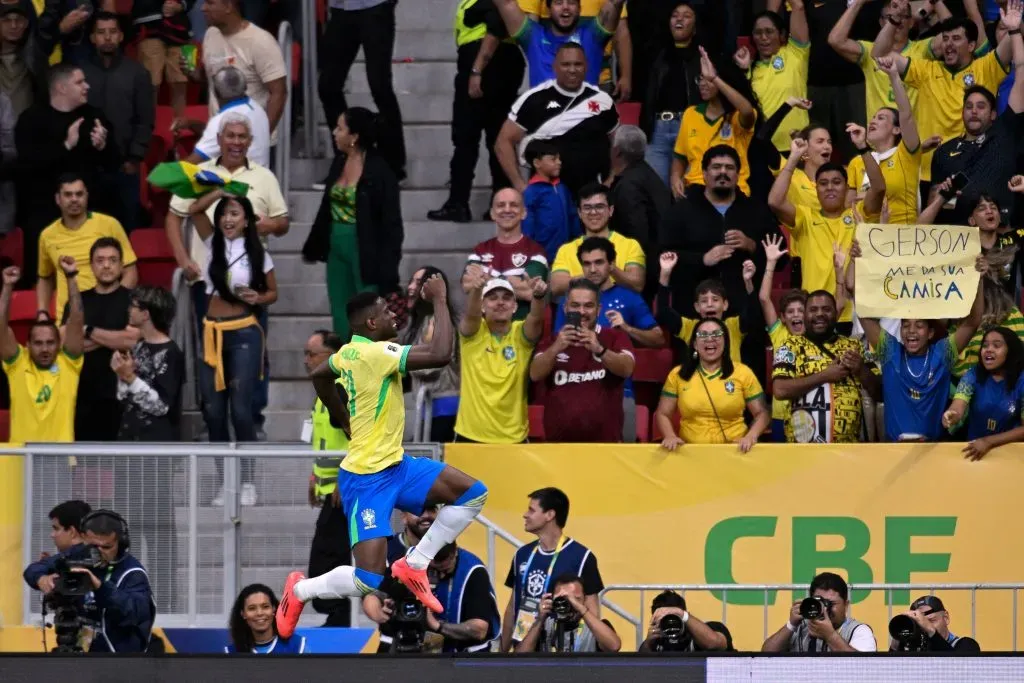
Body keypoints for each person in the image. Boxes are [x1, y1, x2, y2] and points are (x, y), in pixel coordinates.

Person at [276, 277, 492, 635]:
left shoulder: (348, 351)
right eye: (386, 313)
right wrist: (440, 299)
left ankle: (416, 563)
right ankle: (299, 590)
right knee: (368, 580)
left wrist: (340, 414)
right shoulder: (377, 354)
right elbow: (440, 354)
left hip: (398, 465)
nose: (394, 316)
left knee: (473, 493)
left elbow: (319, 374)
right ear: (372, 324)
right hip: (365, 479)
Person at [187, 189, 277, 506]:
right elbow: (193, 210)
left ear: (247, 220)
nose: (228, 219)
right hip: (212, 331)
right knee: (212, 412)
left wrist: (257, 298)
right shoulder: (212, 242)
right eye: (225, 213)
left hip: (243, 333)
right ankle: (226, 484)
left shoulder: (259, 254)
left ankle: (248, 481)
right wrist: (219, 193)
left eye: (235, 213)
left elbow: (272, 294)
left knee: (240, 410)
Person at [850, 240, 985, 443]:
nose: (911, 331)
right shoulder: (890, 351)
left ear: (930, 333)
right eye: (905, 325)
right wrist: (857, 261)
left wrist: (978, 278)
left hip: (933, 452)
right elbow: (859, 303)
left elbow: (973, 321)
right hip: (893, 452)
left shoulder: (943, 353)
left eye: (919, 325)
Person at [301, 107, 404, 342]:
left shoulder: (381, 171)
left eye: (340, 128)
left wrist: (389, 270)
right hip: (336, 246)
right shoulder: (338, 162)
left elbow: (392, 226)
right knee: (340, 311)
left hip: (365, 248)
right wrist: (314, 246)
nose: (335, 132)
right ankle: (346, 366)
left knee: (367, 314)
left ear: (354, 136)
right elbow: (325, 210)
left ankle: (369, 369)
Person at [888, 12, 1017, 191]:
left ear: (971, 45)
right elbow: (880, 54)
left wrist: (1015, 22)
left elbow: (1014, 38)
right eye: (945, 38)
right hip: (927, 174)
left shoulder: (986, 67)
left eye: (956, 38)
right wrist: (893, 20)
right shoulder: (926, 70)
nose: (948, 44)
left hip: (973, 172)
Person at [15, 64, 119, 285]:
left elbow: (114, 164)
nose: (87, 86)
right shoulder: (31, 120)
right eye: (80, 82)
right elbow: (26, 167)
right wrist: (66, 146)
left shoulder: (95, 117)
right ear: (62, 87)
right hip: (44, 214)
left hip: (89, 215)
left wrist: (103, 147)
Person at [427, 0, 525, 223]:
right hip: (498, 62)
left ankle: (460, 203)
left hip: (487, 61)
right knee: (492, 137)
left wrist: (477, 69)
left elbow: (496, 25)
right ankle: (502, 202)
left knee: (468, 138)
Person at [769, 141, 885, 326]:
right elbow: (775, 201)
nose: (830, 187)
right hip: (815, 315)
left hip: (856, 316)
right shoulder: (805, 218)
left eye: (836, 182)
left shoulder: (858, 214)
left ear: (847, 188)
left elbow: (879, 188)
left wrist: (863, 149)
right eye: (823, 183)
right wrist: (793, 159)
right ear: (816, 189)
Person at [927, 11, 1024, 225]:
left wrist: (1015, 30)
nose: (973, 111)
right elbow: (931, 215)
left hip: (1004, 239)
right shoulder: (943, 152)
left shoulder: (1004, 132)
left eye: (981, 107)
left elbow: (1021, 73)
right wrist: (942, 196)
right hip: (962, 245)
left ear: (992, 114)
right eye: (968, 106)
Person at [659, 145, 779, 317]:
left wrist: (752, 245)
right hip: (693, 317)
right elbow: (662, 257)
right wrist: (702, 259)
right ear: (704, 174)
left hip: (745, 316)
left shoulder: (756, 211)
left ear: (738, 174)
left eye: (729, 168)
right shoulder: (680, 212)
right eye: (716, 167)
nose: (723, 172)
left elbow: (781, 259)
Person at [495, 42, 620, 198]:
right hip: (548, 197)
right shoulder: (533, 99)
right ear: (554, 67)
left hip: (592, 198)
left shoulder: (603, 100)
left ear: (586, 66)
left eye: (578, 64)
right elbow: (503, 142)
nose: (572, 70)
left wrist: (611, 181)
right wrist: (520, 186)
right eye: (566, 64)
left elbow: (620, 146)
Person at [23, 509, 156, 653]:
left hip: (116, 661)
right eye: (93, 546)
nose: (99, 552)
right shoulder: (79, 553)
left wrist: (100, 587)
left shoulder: (133, 572)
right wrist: (42, 579)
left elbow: (136, 614)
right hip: (79, 650)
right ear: (84, 538)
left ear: (120, 543)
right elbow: (33, 569)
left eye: (107, 547)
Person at [500, 487, 605, 653]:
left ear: (550, 515)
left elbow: (592, 611)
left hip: (562, 653)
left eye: (531, 510)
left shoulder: (582, 557)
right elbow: (512, 607)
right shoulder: (522, 554)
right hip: (524, 652)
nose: (525, 515)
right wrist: (502, 654)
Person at [530, 277, 635, 442]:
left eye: (588, 306)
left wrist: (599, 349)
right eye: (575, 305)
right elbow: (535, 374)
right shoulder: (552, 341)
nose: (582, 312)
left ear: (598, 309)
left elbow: (627, 368)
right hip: (558, 446)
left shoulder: (615, 337)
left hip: (606, 445)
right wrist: (556, 348)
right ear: (565, 308)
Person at [58, 237, 138, 442]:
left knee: (122, 466)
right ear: (92, 266)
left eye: (112, 260)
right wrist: (113, 337)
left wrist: (86, 330)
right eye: (100, 260)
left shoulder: (134, 299)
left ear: (121, 265)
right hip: (81, 394)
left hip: (120, 395)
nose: (106, 265)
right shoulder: (78, 300)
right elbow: (65, 343)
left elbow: (132, 340)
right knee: (79, 465)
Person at [772, 290, 880, 443]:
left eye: (826, 309)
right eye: (813, 310)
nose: (819, 314)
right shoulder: (790, 346)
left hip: (848, 452)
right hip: (801, 451)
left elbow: (880, 392)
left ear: (836, 314)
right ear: (805, 315)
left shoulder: (854, 346)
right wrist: (825, 375)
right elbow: (780, 390)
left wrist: (861, 369)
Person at [81, 11, 154, 232]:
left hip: (125, 166)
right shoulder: (80, 72)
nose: (107, 37)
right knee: (90, 231)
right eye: (101, 33)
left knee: (126, 230)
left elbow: (146, 119)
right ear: (93, 38)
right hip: (89, 167)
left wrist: (135, 158)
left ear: (121, 36)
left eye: (113, 32)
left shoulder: (137, 73)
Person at [317, 0, 406, 179]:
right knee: (328, 86)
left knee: (380, 86)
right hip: (341, 8)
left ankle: (393, 164)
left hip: (375, 6)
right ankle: (346, 157)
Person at [454, 274, 547, 443]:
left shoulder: (520, 334)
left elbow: (535, 319)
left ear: (515, 306)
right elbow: (472, 316)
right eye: (492, 298)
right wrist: (476, 289)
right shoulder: (473, 333)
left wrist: (538, 296)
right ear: (482, 306)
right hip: (470, 435)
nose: (500, 302)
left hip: (513, 437)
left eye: (506, 298)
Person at [363, 541, 501, 653]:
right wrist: (382, 609)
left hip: (462, 655)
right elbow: (374, 596)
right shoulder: (411, 561)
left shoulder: (474, 571)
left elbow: (479, 630)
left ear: (454, 553)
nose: (439, 576)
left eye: (445, 571)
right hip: (418, 649)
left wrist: (436, 625)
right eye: (433, 570)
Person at [656, 316, 770, 451]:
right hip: (691, 453)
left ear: (725, 342)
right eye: (703, 335)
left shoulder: (743, 373)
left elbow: (762, 413)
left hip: (735, 452)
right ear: (695, 344)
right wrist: (670, 436)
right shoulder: (677, 374)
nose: (710, 339)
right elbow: (662, 413)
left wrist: (751, 436)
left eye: (716, 334)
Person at [1, 260, 83, 443]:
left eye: (50, 342)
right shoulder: (17, 364)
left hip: (59, 459)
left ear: (59, 344)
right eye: (38, 343)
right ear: (27, 345)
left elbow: (76, 319)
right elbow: (1, 326)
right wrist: (7, 286)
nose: (45, 349)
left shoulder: (69, 365)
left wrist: (71, 278)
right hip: (21, 459)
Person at [302, 328, 352, 627]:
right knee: (326, 556)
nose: (307, 361)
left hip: (345, 492)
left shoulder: (342, 388)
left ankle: (339, 619)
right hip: (329, 490)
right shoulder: (324, 390)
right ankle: (336, 617)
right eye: (305, 355)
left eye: (312, 354)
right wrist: (315, 475)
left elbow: (361, 437)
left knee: (329, 557)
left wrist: (344, 477)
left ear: (332, 356)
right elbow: (325, 440)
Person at [39, 175, 138, 322]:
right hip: (68, 319)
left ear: (86, 197)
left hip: (109, 316)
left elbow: (130, 271)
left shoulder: (109, 224)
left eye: (79, 194)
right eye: (68, 194)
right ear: (57, 199)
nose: (74, 199)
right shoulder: (47, 235)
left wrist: (113, 304)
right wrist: (42, 312)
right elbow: (45, 277)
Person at [844, 56, 922, 226]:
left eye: (881, 118)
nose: (872, 121)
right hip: (868, 241)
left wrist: (894, 76)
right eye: (872, 118)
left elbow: (906, 115)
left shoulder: (906, 153)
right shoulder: (858, 161)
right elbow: (847, 209)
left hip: (903, 238)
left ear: (897, 129)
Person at [671, 47, 758, 199]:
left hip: (733, 191)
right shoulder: (691, 113)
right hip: (696, 191)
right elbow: (680, 157)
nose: (703, 83)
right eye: (701, 78)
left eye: (708, 79)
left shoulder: (737, 116)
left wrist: (715, 79)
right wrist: (675, 178)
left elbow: (747, 111)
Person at [196, 0, 286, 146]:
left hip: (253, 143)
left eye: (210, 3)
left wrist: (259, 138)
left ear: (228, 7)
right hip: (220, 141)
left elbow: (279, 93)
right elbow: (212, 81)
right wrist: (192, 74)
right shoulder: (210, 35)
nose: (203, 8)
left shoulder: (260, 41)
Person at [553, 237, 664, 349]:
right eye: (587, 264)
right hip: (576, 363)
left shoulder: (629, 297)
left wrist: (627, 329)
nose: (592, 270)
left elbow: (658, 338)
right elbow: (557, 342)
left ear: (611, 264)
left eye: (599, 262)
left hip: (616, 363)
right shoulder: (570, 299)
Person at [494, 0, 626, 87]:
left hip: (584, 125)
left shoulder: (593, 36)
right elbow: (506, 4)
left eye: (571, 2)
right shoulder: (533, 37)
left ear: (579, 9)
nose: (565, 7)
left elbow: (615, 2)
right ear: (549, 9)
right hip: (543, 125)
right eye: (558, 2)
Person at [464, 188, 550, 321]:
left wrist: (487, 280)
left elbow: (529, 292)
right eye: (501, 205)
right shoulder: (480, 250)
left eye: (514, 205)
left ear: (524, 213)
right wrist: (514, 281)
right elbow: (467, 285)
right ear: (492, 213)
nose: (507, 210)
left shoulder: (536, 251)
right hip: (485, 333)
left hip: (522, 333)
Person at [641, 2, 702, 185]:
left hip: (690, 128)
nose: (679, 19)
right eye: (675, 15)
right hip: (659, 130)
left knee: (689, 192)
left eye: (686, 15)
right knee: (656, 191)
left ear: (696, 25)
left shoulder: (702, 58)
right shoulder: (656, 54)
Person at [735, 6, 809, 153]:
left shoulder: (795, 55)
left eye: (769, 32)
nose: (763, 37)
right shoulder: (749, 70)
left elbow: (798, 7)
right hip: (763, 149)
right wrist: (742, 71)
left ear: (781, 35)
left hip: (797, 145)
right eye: (758, 33)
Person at [114, 285, 184, 441]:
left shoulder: (171, 353)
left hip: (157, 445)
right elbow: (122, 398)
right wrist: (121, 375)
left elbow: (161, 406)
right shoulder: (138, 347)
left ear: (146, 314)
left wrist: (129, 377)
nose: (129, 310)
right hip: (130, 437)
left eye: (133, 306)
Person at [550, 183, 645, 297]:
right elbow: (556, 287)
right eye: (587, 208)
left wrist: (611, 269)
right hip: (581, 312)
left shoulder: (630, 245)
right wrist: (593, 273)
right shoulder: (566, 250)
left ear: (611, 210)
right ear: (579, 213)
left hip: (620, 312)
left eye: (599, 206)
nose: (593, 212)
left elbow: (637, 284)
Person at [400, 269, 461, 443]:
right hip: (431, 406)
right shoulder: (423, 322)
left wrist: (400, 361)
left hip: (441, 406)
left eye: (419, 283)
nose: (411, 288)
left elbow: (430, 367)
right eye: (411, 281)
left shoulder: (434, 321)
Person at [943, 326, 1024, 459]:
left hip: (1011, 455)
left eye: (996, 346)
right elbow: (958, 405)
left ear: (1011, 351)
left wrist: (989, 442)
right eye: (985, 345)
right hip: (974, 451)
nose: (989, 349)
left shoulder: (1022, 380)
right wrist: (952, 415)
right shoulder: (973, 374)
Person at [608, 125, 671, 289]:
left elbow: (636, 231)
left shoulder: (629, 185)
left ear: (617, 152)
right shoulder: (650, 175)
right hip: (656, 260)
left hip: (640, 268)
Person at [758, 235, 805, 442]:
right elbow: (764, 298)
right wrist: (770, 263)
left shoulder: (817, 336)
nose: (796, 315)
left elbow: (839, 304)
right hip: (779, 414)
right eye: (790, 312)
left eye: (800, 311)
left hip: (807, 413)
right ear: (783, 318)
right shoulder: (779, 334)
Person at [762, 572, 877, 653]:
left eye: (831, 603)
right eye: (819, 602)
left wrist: (830, 636)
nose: (824, 609)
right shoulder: (800, 627)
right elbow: (765, 656)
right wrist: (790, 625)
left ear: (846, 605)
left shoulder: (859, 630)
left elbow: (864, 667)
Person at [187, 65, 271, 168]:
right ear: (245, 87)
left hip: (237, 182)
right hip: (262, 179)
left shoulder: (223, 119)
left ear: (216, 93)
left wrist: (164, 176)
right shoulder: (257, 108)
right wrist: (191, 124)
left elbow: (192, 163)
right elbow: (216, 136)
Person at [514, 573, 621, 653]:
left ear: (584, 600)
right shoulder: (542, 626)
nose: (570, 603)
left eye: (576, 599)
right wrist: (540, 619)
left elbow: (614, 646)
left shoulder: (595, 629)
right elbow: (519, 659)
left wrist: (581, 609)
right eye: (563, 599)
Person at [521, 140, 580, 263]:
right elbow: (527, 227)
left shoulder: (562, 188)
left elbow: (573, 216)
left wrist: (578, 241)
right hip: (542, 255)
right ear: (537, 163)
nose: (559, 162)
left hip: (567, 253)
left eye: (559, 159)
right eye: (553, 159)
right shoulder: (531, 192)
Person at [133, 0, 192, 115]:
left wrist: (181, 5)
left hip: (181, 30)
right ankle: (149, 128)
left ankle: (179, 128)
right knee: (150, 83)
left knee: (181, 82)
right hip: (149, 25)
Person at [638, 590, 731, 652]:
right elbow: (640, 669)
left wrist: (683, 615)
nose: (671, 624)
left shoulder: (709, 630)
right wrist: (648, 644)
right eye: (665, 620)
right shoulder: (657, 641)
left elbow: (714, 643)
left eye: (675, 618)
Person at [226, 584, 307, 654]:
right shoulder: (231, 652)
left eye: (265, 607)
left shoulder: (298, 646)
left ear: (274, 609)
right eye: (252, 608)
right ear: (243, 614)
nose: (259, 613)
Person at [0, 0, 48, 117]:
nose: (13, 25)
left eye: (19, 20)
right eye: (6, 20)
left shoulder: (33, 60)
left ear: (27, 23)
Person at [889, 595, 981, 651]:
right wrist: (896, 644)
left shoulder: (966, 645)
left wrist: (931, 631)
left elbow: (957, 671)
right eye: (919, 624)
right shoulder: (913, 651)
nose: (924, 627)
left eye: (931, 621)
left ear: (946, 618)